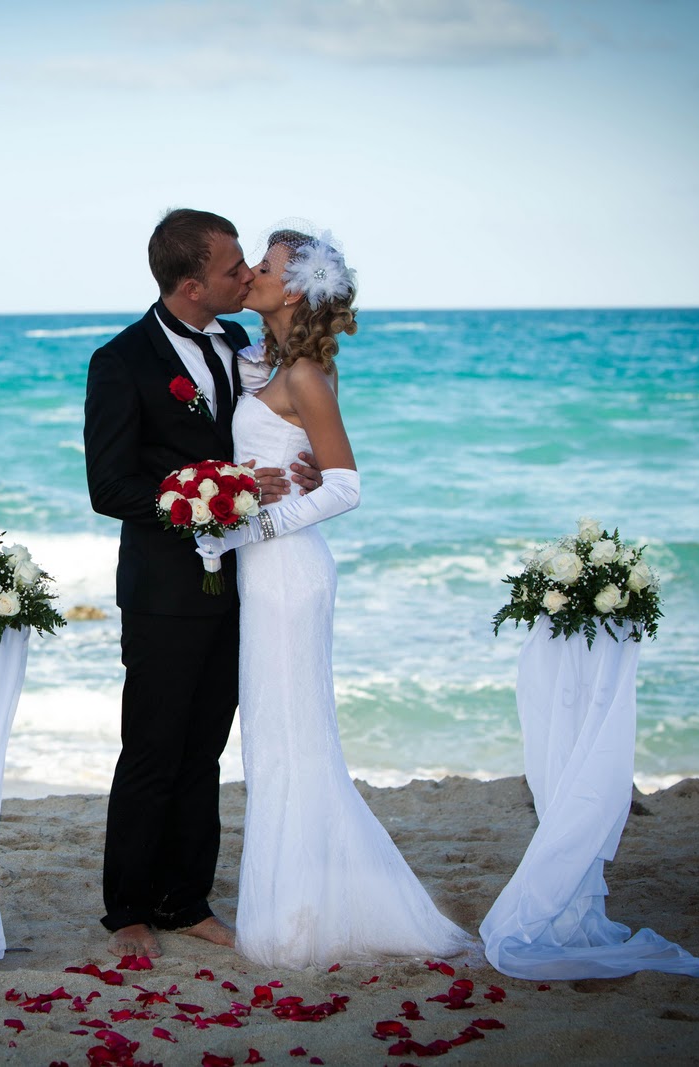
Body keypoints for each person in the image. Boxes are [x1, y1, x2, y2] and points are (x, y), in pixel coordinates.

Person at [196, 226, 472, 968]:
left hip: (289, 573)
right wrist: (234, 503)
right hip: (266, 571)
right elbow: (271, 441)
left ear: (293, 289)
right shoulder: (265, 363)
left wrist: (255, 527)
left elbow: (345, 484)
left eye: (267, 265)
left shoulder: (309, 374)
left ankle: (301, 916)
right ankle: (300, 900)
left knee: (294, 741)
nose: (251, 271)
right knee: (274, 739)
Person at [83, 209, 320, 958]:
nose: (245, 275)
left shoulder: (238, 342)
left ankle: (187, 899)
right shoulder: (120, 361)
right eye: (231, 269)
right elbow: (109, 486)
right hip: (163, 588)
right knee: (152, 749)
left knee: (206, 749)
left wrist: (298, 469)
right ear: (192, 284)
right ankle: (127, 908)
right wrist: (210, 489)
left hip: (243, 578)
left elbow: (262, 436)